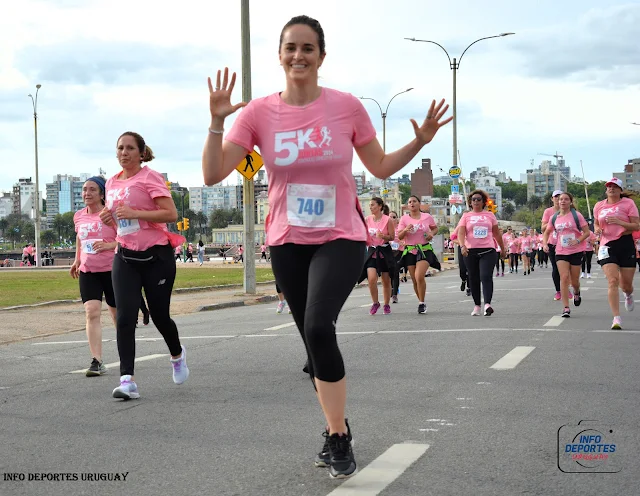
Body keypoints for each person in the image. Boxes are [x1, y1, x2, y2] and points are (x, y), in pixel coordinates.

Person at [201, 14, 451, 480]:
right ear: (280, 55)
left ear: (321, 56)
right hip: (286, 240)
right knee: (311, 343)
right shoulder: (258, 113)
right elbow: (213, 174)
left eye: (307, 48)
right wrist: (217, 122)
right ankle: (337, 425)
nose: (298, 55)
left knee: (319, 326)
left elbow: (379, 167)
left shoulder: (345, 106)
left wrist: (418, 141)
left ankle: (338, 437)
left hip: (341, 236)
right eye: (290, 47)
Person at [100, 131, 188, 400]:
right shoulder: (111, 183)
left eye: (129, 148)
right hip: (125, 256)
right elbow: (120, 223)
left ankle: (177, 355)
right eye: (120, 148)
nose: (124, 153)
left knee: (160, 316)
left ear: (141, 153)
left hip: (156, 257)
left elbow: (171, 214)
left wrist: (136, 213)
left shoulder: (151, 177)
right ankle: (127, 380)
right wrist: (109, 219)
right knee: (125, 317)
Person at [70, 176, 118, 376]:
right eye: (84, 189)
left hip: (113, 270)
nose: (87, 193)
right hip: (88, 271)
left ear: (101, 194)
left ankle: (126, 353)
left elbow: (127, 238)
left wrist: (108, 245)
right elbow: (79, 238)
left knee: (117, 314)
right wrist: (77, 259)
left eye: (92, 190)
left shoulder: (110, 214)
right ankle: (96, 361)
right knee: (91, 312)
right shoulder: (79, 216)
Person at [593, 178, 639, 329]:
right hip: (606, 245)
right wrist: (597, 229)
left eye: (614, 186)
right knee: (613, 280)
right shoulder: (599, 205)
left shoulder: (628, 203)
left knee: (626, 285)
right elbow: (596, 223)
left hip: (625, 243)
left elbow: (636, 226)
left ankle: (628, 294)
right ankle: (616, 318)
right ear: (606, 190)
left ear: (620, 190)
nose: (611, 189)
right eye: (609, 187)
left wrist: (620, 222)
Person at [457, 190, 504, 316]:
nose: (476, 201)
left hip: (488, 250)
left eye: (479, 199)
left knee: (485, 276)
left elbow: (496, 234)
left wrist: (502, 248)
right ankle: (477, 305)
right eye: (473, 199)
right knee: (473, 278)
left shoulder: (490, 215)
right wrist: (462, 246)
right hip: (470, 251)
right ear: (470, 202)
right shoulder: (466, 216)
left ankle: (487, 304)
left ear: (483, 202)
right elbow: (461, 233)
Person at [543, 192, 590, 318]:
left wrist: (578, 240)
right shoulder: (554, 217)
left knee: (574, 281)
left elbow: (586, 232)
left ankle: (576, 292)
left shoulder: (576, 215)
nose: (563, 201)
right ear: (558, 202)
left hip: (576, 251)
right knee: (563, 278)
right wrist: (545, 244)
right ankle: (566, 307)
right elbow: (546, 232)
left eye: (566, 199)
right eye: (561, 199)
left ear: (570, 201)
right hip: (561, 251)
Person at [398, 195, 440, 314]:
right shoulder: (404, 219)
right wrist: (405, 230)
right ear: (407, 205)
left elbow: (435, 228)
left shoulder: (427, 217)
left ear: (419, 203)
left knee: (419, 275)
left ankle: (421, 303)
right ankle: (422, 302)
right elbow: (399, 236)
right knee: (414, 279)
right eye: (409, 202)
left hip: (424, 249)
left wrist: (431, 234)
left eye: (414, 201)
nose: (412, 203)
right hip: (410, 250)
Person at [358, 197, 395, 315]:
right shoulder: (367, 219)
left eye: (373, 205)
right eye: (370, 205)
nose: (370, 207)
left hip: (384, 251)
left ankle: (387, 304)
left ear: (380, 206)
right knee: (371, 278)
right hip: (372, 250)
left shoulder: (388, 220)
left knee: (386, 280)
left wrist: (383, 236)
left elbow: (392, 237)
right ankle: (375, 302)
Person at [541, 190, 571, 300]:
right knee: (556, 267)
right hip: (553, 243)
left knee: (566, 269)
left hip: (566, 243)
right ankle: (558, 291)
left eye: (560, 197)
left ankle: (566, 289)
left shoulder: (570, 211)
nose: (558, 199)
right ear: (552, 199)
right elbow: (543, 228)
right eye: (556, 197)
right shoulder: (548, 211)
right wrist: (553, 219)